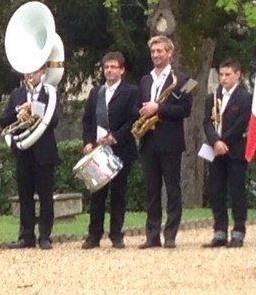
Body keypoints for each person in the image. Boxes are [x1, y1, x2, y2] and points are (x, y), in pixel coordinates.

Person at [136, 35, 193, 248]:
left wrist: (158, 108)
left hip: (170, 141)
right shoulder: (145, 80)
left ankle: (170, 234)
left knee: (172, 189)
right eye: (153, 51)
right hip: (148, 140)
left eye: (159, 51)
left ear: (170, 52)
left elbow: (186, 109)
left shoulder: (186, 80)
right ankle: (152, 235)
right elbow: (138, 105)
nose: (155, 55)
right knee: (151, 190)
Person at [80, 51, 140, 249]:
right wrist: (88, 142)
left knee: (118, 195)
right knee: (97, 195)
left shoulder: (131, 92)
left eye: (113, 67)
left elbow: (133, 120)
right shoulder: (96, 92)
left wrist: (115, 137)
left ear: (122, 70)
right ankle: (94, 235)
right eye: (106, 67)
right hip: (98, 150)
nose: (109, 70)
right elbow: (87, 120)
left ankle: (116, 235)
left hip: (120, 149)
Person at [0, 64, 59, 249]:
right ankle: (26, 236)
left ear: (42, 72)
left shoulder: (51, 94)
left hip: (44, 152)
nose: (30, 75)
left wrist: (34, 108)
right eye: (27, 71)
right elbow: (3, 121)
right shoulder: (16, 94)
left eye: (34, 71)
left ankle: (45, 236)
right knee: (25, 196)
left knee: (45, 196)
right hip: (23, 152)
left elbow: (54, 119)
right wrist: (19, 111)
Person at [203, 59, 251, 248]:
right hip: (216, 151)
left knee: (237, 190)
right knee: (216, 190)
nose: (223, 78)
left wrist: (224, 141)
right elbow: (207, 122)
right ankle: (220, 230)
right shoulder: (213, 97)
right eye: (221, 75)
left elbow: (241, 124)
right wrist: (215, 141)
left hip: (235, 150)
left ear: (237, 75)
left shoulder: (244, 97)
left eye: (227, 75)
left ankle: (238, 230)